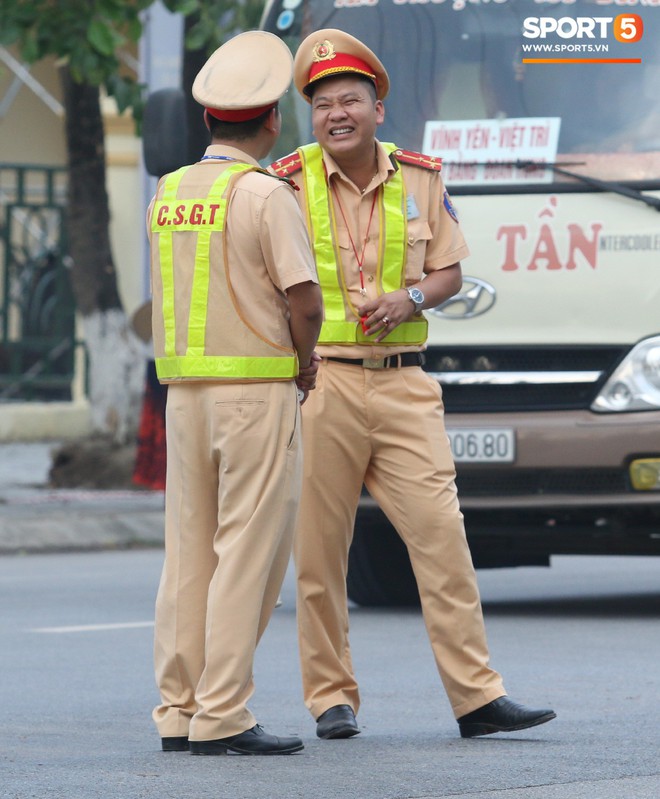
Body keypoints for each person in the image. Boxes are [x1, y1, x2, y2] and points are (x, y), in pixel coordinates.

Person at [270, 29, 556, 740]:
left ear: (377, 107)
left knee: (443, 538)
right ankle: (331, 697)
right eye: (324, 103)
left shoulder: (421, 177)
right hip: (321, 382)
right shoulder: (284, 184)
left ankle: (477, 696)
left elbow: (450, 272)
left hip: (404, 384)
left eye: (351, 100)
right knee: (319, 551)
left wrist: (411, 300)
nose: (337, 114)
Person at [148, 31, 323, 756]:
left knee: (187, 556)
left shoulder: (168, 191)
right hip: (255, 392)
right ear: (273, 119)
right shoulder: (264, 194)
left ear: (210, 118)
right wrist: (305, 360)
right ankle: (224, 713)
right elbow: (305, 300)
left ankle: (178, 709)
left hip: (184, 396)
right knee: (247, 554)